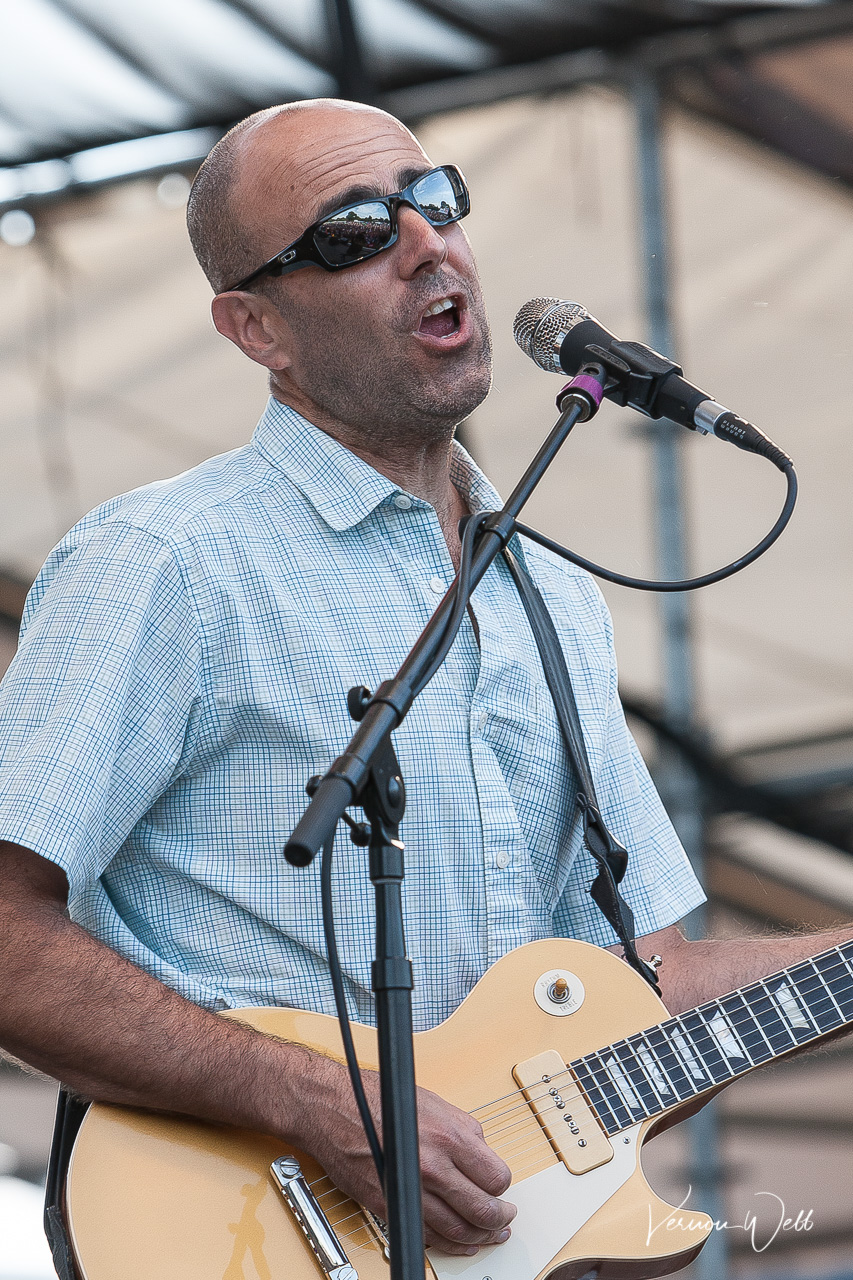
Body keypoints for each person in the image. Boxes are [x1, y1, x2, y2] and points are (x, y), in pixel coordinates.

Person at [0, 99, 849, 1259]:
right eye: (354, 231)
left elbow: (645, 986)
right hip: (238, 1231)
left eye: (435, 200)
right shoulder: (164, 560)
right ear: (256, 327)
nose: (425, 244)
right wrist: (311, 1097)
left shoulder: (554, 598)